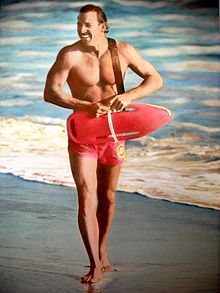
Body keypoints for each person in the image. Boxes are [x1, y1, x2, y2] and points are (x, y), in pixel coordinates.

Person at [44, 4, 163, 283]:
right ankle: (94, 264)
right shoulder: (69, 54)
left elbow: (155, 79)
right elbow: (50, 92)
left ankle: (103, 249)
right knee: (87, 195)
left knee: (108, 195)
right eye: (79, 24)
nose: (82, 30)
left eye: (88, 24)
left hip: (114, 131)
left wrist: (130, 96)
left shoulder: (123, 51)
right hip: (83, 131)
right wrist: (82, 104)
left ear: (102, 25)